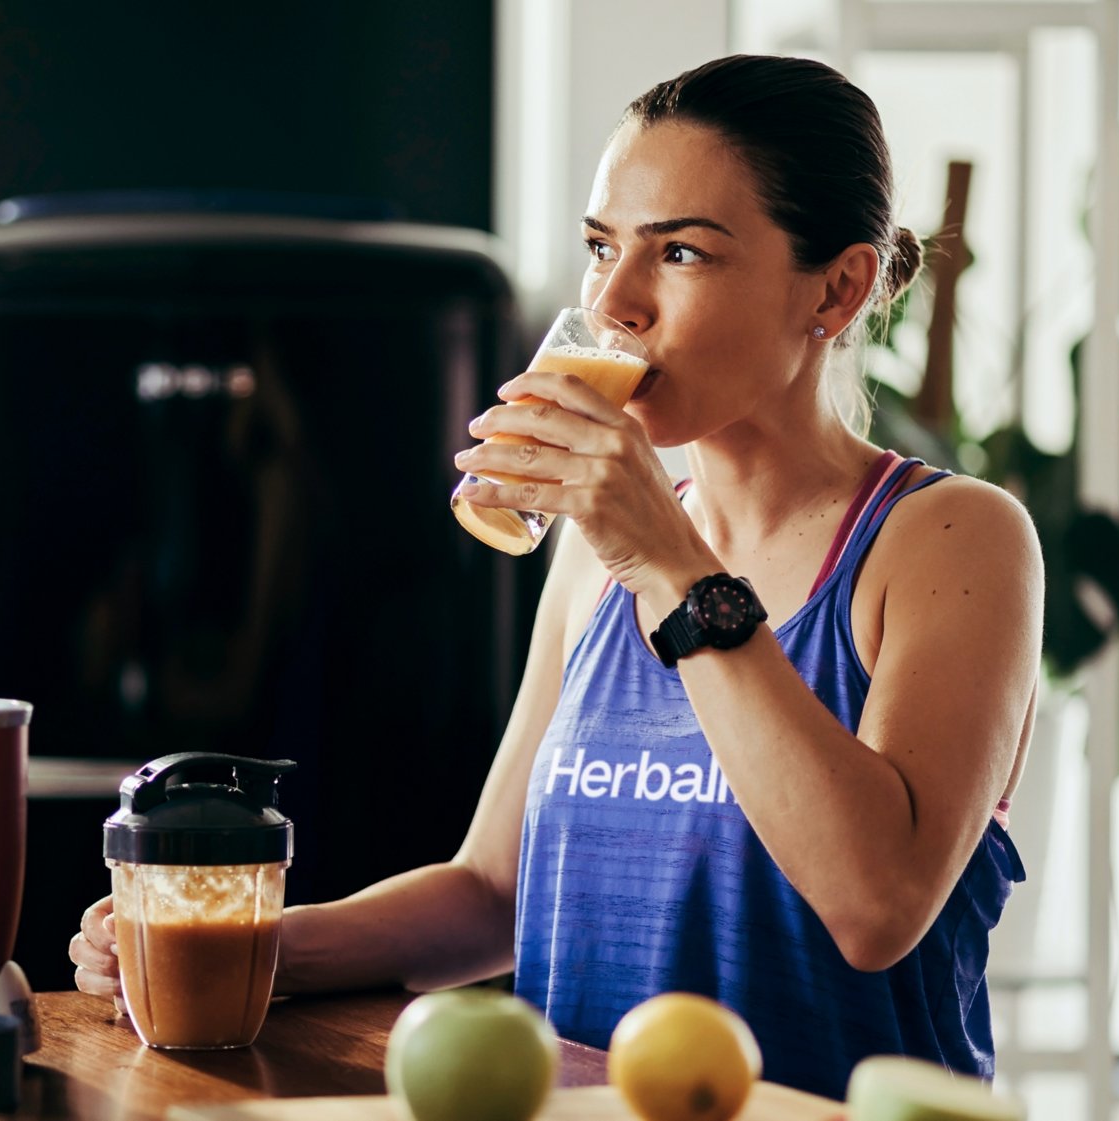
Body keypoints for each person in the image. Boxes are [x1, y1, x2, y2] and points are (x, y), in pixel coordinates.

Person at [70, 53, 1043, 1102]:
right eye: (598, 248)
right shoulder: (593, 548)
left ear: (837, 286)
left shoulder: (947, 538)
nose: (614, 301)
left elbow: (874, 903)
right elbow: (493, 889)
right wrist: (234, 944)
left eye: (678, 252)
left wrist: (668, 563)